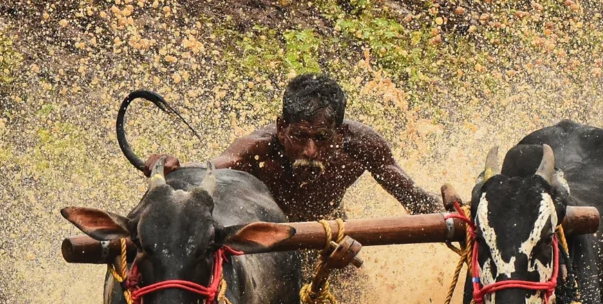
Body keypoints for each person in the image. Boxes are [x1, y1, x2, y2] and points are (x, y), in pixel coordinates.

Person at [144, 73, 440, 221]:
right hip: (270, 242)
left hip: (332, 238)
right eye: (299, 136)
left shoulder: (362, 146)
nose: (310, 151)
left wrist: (462, 211)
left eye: (322, 138)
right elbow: (212, 168)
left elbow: (413, 199)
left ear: (339, 133)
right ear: (280, 127)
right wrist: (171, 166)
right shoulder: (258, 149)